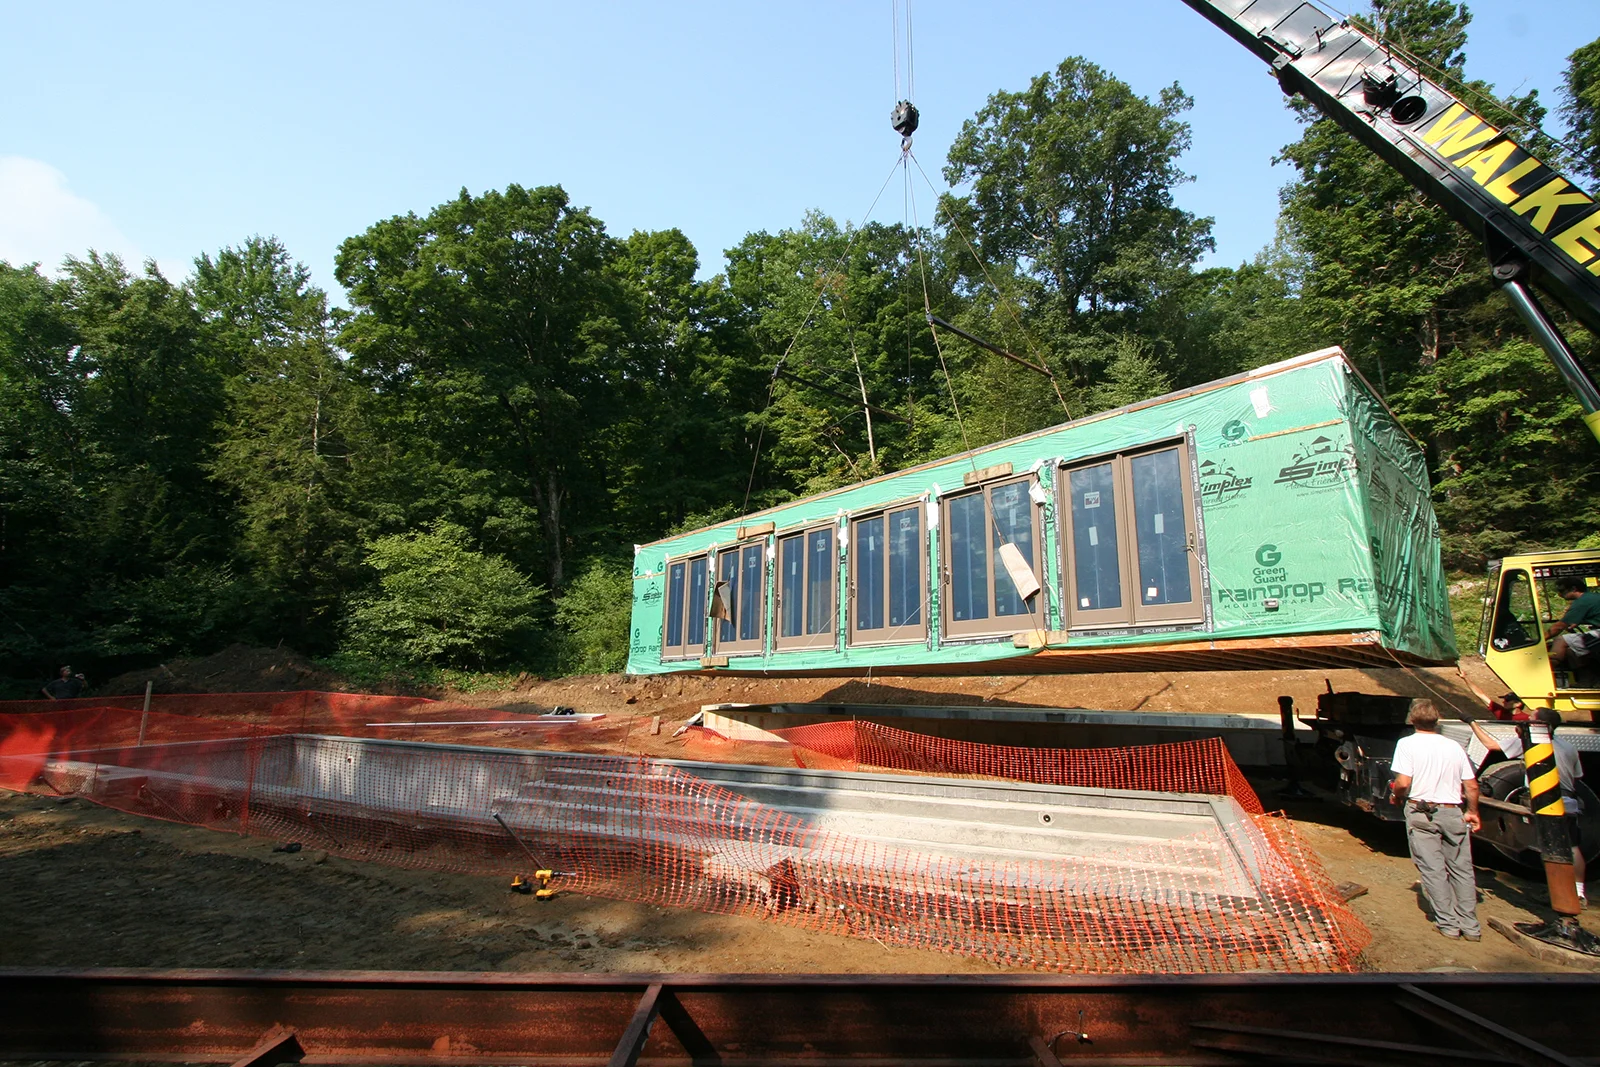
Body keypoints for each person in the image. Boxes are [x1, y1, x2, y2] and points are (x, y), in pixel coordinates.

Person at [1469, 706, 1587, 906]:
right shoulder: (1569, 747)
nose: (1524, 721)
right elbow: (1577, 777)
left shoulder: (1531, 743)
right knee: (1572, 847)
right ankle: (1578, 892)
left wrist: (1472, 722)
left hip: (1545, 802)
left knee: (1548, 848)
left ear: (1540, 725)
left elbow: (1491, 745)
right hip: (1568, 801)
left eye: (1531, 718)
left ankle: (1560, 895)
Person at [1389, 698, 1483, 940]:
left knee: (1433, 869)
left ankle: (1448, 924)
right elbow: (1471, 785)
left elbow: (1403, 782)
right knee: (1462, 869)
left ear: (1412, 720)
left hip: (1422, 812)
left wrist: (1396, 796)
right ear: (1437, 720)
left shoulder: (1407, 744)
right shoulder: (1454, 746)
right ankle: (1471, 926)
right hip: (1453, 811)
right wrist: (1472, 811)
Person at [1547, 576, 1600, 670]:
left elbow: (1559, 627)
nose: (1559, 594)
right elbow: (1572, 622)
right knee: (1570, 651)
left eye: (1562, 590)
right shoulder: (1591, 597)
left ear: (1573, 589)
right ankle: (1584, 678)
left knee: (1560, 640)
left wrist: (1540, 640)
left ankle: (1549, 671)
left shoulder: (1582, 602)